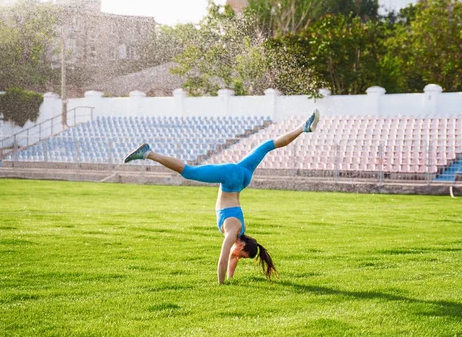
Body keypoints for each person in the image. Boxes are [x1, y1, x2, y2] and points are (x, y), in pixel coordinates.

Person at [124, 109, 320, 284]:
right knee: (189, 172)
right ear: (242, 244)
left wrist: (231, 278)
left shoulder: (240, 232)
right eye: (243, 255)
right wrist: (221, 284)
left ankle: (303, 128)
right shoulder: (233, 231)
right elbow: (224, 257)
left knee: (266, 146)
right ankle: (149, 153)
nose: (239, 257)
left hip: (243, 178)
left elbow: (233, 257)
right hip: (232, 177)